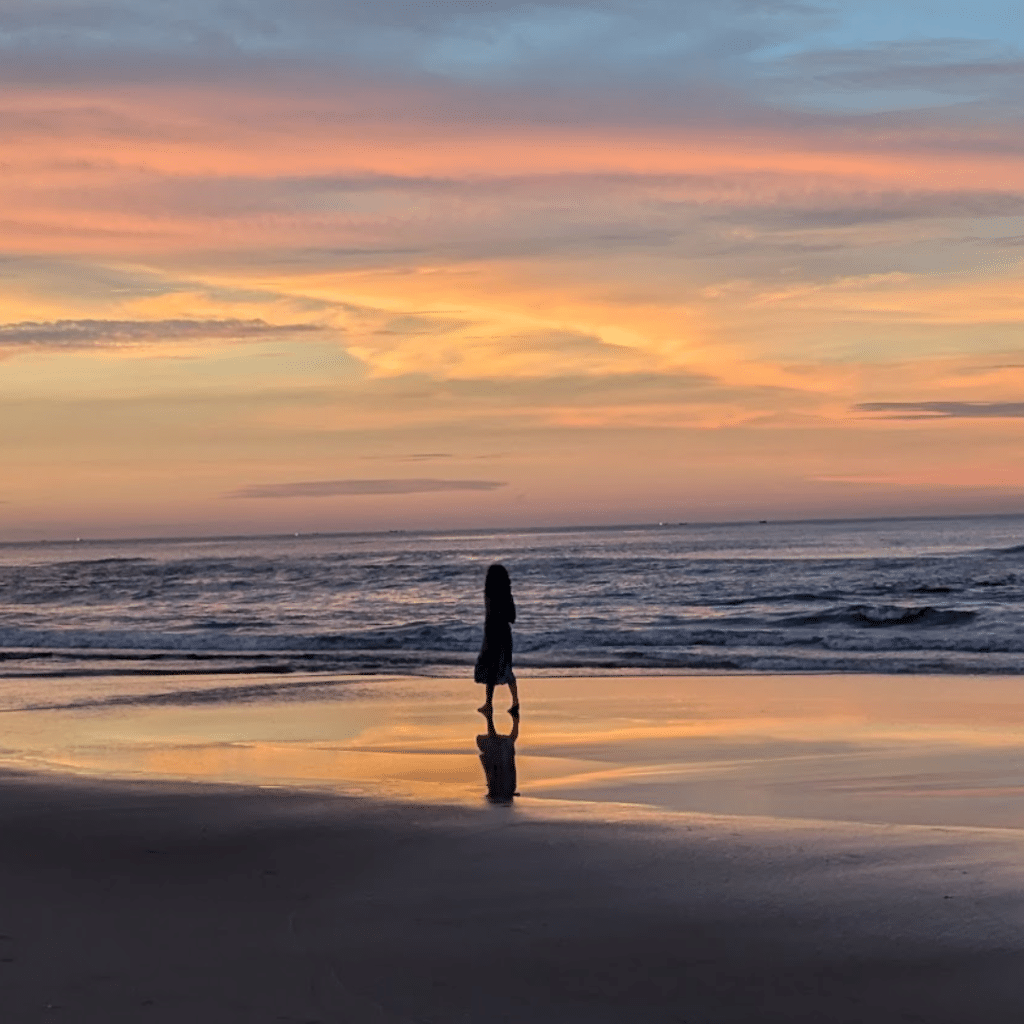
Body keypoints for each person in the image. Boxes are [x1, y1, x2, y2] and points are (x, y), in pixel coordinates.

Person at [474, 563, 519, 715]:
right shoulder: (507, 594)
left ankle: (488, 704)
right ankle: (515, 701)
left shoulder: (489, 595)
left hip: (492, 633)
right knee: (506, 666)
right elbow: (512, 618)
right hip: (505, 633)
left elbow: (490, 617)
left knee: (491, 669)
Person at [476, 707, 519, 803]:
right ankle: (514, 718)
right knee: (505, 742)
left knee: (496, 741)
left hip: (503, 790)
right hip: (506, 789)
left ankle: (490, 716)